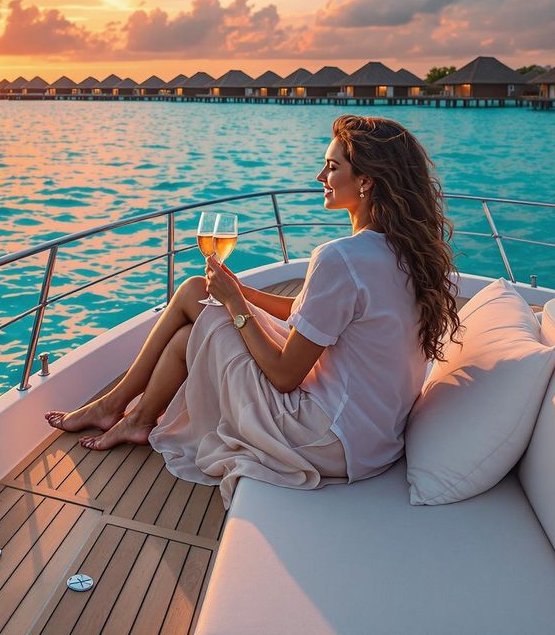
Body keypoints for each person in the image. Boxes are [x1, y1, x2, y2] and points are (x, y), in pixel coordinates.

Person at [45, 115, 460, 504]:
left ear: (366, 180)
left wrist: (234, 303)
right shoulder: (408, 252)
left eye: (332, 167)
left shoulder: (342, 258)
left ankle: (115, 408)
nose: (320, 178)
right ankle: (130, 416)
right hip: (373, 437)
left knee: (195, 302)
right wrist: (242, 291)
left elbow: (283, 377)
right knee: (194, 304)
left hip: (327, 438)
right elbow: (307, 313)